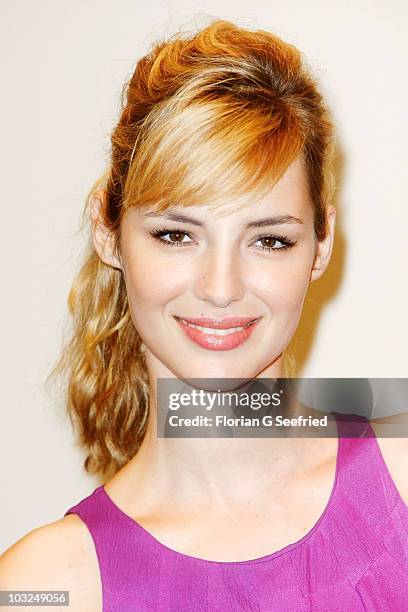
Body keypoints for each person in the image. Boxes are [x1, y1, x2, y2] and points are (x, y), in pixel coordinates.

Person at [1, 18, 408, 612]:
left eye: (268, 240)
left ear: (320, 244)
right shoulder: (44, 588)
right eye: (176, 235)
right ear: (108, 233)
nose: (221, 288)